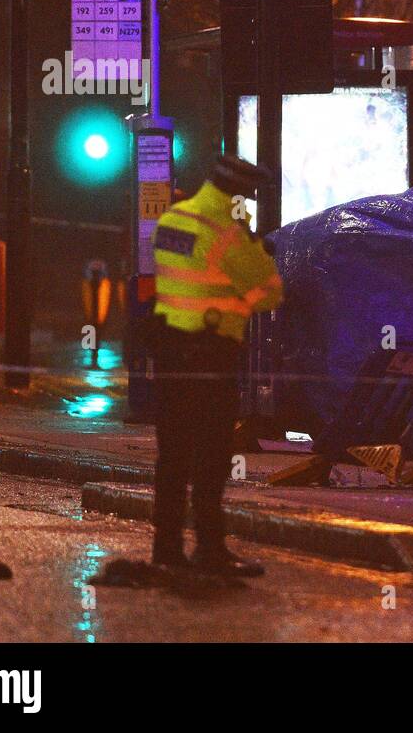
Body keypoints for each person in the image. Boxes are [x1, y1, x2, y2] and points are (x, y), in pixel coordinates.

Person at [150, 154, 283, 576]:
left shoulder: (174, 218)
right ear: (238, 194)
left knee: (171, 457)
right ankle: (209, 549)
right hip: (211, 355)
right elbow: (270, 294)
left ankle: (166, 551)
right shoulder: (228, 234)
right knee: (211, 457)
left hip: (170, 352)